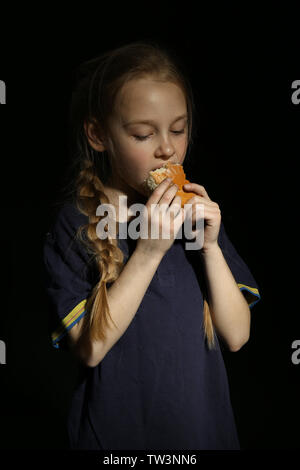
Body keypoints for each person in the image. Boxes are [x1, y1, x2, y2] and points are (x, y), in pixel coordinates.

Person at [43, 41, 261, 450]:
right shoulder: (74, 223)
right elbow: (90, 350)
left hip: (203, 433)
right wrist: (149, 250)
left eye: (179, 129)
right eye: (143, 134)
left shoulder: (193, 214)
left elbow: (236, 336)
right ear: (98, 134)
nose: (167, 147)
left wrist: (211, 248)